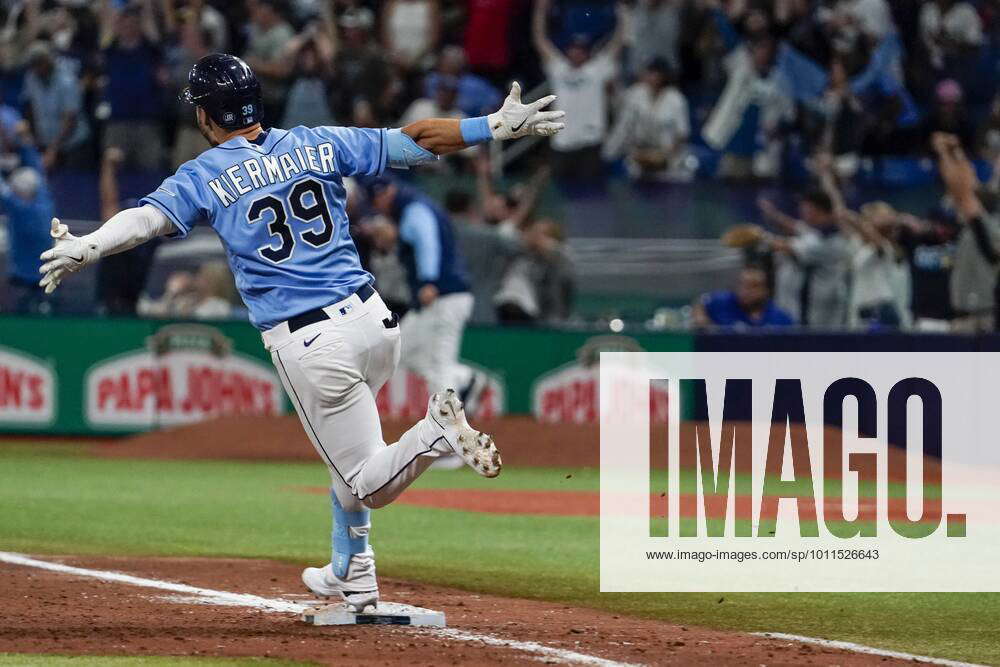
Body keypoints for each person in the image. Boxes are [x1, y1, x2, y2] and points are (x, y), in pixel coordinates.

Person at [37, 54, 564, 611]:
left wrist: (88, 245)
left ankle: (434, 434)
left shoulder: (206, 172)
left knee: (365, 479)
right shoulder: (317, 141)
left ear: (208, 118)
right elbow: (413, 140)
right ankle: (354, 576)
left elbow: (145, 219)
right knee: (348, 455)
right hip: (373, 322)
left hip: (311, 340)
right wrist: (492, 127)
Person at [533, 0, 626, 187]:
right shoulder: (559, 68)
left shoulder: (597, 69)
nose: (577, 53)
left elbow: (617, 43)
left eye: (581, 50)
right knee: (560, 193)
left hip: (590, 143)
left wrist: (623, 16)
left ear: (587, 52)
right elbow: (540, 40)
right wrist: (541, 11)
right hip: (562, 142)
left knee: (591, 197)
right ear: (568, 51)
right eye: (574, 49)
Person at [1, 143, 54, 314]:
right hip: (47, 276)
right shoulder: (45, 202)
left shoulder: (18, 208)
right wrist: (27, 144)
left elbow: (2, 190)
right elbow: (38, 168)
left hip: (22, 279)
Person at [692, 265, 794, 329]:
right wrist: (701, 319)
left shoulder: (780, 318)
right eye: (742, 285)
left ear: (766, 290)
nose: (746, 291)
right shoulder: (722, 302)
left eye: (754, 286)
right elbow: (701, 302)